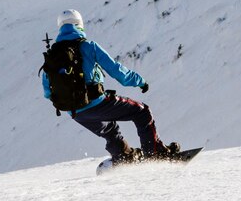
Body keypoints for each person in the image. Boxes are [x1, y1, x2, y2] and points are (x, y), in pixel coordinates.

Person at [42, 9, 179, 164]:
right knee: (141, 112)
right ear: (79, 24)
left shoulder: (52, 56)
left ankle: (124, 156)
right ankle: (155, 155)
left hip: (75, 113)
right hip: (96, 102)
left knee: (109, 130)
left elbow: (47, 93)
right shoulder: (88, 47)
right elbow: (116, 70)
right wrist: (140, 81)